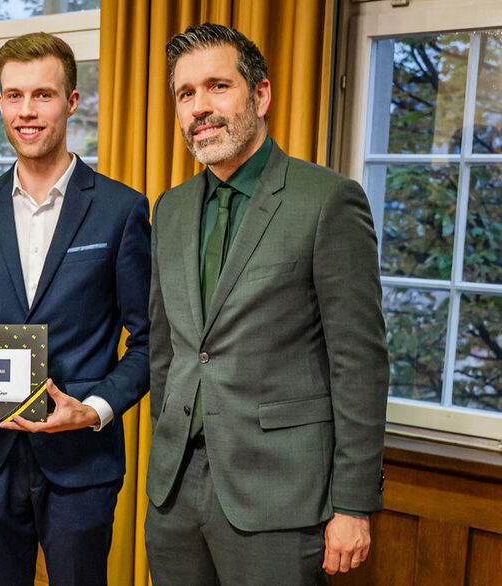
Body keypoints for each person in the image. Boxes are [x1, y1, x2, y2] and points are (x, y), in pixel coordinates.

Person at [145, 23, 389, 584]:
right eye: (185, 94)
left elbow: (359, 363)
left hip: (281, 497)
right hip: (175, 493)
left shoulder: (327, 201)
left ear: (260, 95)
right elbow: (168, 349)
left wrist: (353, 505)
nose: (200, 107)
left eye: (217, 86)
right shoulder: (172, 209)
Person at [0, 32, 150, 585]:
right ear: (1, 101)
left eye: (43, 95)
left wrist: (96, 408)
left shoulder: (121, 210)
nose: (26, 112)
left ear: (72, 101)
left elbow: (151, 341)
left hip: (81, 462)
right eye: (13, 95)